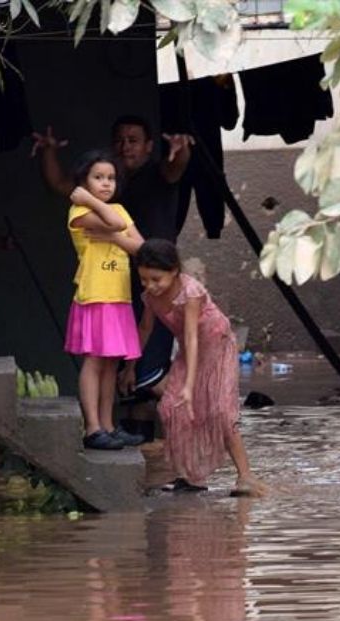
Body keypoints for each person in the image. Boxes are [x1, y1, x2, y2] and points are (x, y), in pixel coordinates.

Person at [34, 117, 193, 397]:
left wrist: (181, 150)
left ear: (149, 146)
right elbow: (60, 183)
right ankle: (125, 429)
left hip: (154, 276)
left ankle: (166, 427)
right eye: (120, 140)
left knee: (149, 364)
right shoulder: (107, 189)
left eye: (133, 140)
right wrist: (48, 151)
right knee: (113, 362)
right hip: (113, 282)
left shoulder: (158, 173)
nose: (125, 147)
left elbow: (175, 167)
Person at [127, 240, 267, 497]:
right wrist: (130, 367)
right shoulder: (150, 297)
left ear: (174, 271)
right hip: (191, 351)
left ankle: (245, 477)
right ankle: (189, 477)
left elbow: (191, 336)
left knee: (221, 412)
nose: (150, 286)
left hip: (218, 347)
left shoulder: (191, 292)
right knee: (171, 409)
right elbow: (145, 329)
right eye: (144, 280)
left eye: (156, 279)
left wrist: (189, 386)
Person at [65, 150, 146, 451]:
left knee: (111, 363)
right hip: (95, 294)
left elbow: (140, 247)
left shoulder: (120, 210)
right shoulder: (78, 212)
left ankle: (109, 426)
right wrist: (88, 200)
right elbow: (112, 222)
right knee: (94, 360)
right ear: (83, 182)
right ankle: (92, 428)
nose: (106, 184)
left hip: (119, 296)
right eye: (98, 178)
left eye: (111, 178)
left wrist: (115, 239)